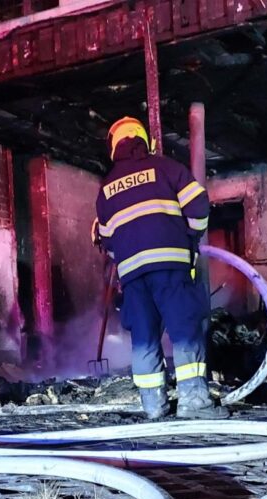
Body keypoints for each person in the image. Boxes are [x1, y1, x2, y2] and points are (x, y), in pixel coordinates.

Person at [94, 116, 228, 419]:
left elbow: (107, 240)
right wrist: (191, 237)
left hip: (132, 276)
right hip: (170, 265)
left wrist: (128, 255)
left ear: (114, 146)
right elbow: (198, 205)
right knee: (184, 330)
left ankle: (154, 407)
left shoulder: (106, 188)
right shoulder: (166, 168)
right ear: (145, 139)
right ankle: (194, 403)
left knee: (144, 337)